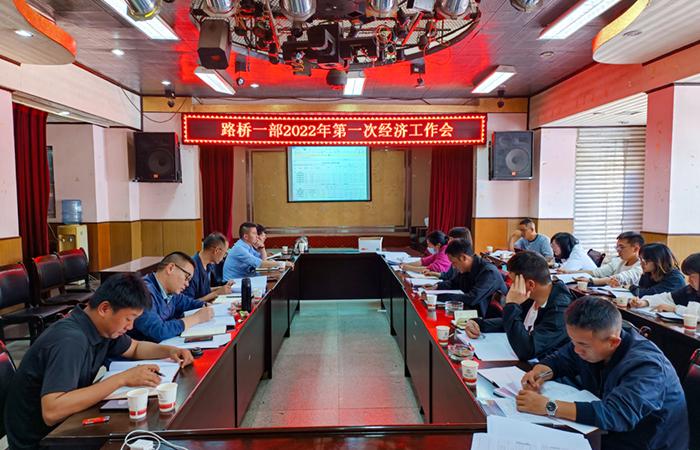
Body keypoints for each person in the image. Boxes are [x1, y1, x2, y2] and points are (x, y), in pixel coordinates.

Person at [3, 274, 194, 450]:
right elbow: (52, 411)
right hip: (40, 442)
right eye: (128, 319)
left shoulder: (101, 328)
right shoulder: (70, 340)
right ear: (104, 309)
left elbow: (135, 348)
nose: (130, 327)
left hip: (66, 427)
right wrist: (122, 379)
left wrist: (170, 350)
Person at [517, 296, 688, 450]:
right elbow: (561, 359)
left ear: (613, 342)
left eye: (582, 345)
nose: (576, 349)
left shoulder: (647, 366)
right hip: (604, 433)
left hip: (643, 441)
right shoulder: (591, 341)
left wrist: (548, 407)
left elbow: (617, 414)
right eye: (573, 341)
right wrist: (540, 373)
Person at [463, 251, 573, 361]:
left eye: (514, 282)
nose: (511, 287)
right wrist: (479, 324)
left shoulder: (561, 310)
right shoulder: (532, 295)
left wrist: (512, 304)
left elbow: (527, 351)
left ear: (531, 284)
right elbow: (515, 321)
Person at [130, 252, 215, 343]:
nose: (187, 284)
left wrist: (206, 305)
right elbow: (159, 331)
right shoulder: (143, 291)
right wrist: (196, 318)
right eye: (186, 277)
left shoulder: (171, 291)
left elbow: (188, 303)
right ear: (171, 268)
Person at [429, 238, 506, 317]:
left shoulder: (488, 272)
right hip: (471, 312)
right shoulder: (466, 268)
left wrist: (437, 297)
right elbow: (453, 283)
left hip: (488, 319)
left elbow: (472, 298)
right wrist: (437, 286)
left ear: (463, 258)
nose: (453, 267)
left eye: (454, 262)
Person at [630, 252, 700, 313]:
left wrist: (675, 309)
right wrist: (645, 302)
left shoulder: (675, 277)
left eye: (692, 276)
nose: (689, 280)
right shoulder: (689, 289)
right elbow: (667, 298)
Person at [223, 222, 292, 280]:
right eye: (254, 233)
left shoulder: (248, 246)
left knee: (278, 275)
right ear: (246, 236)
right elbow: (260, 264)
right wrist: (283, 263)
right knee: (279, 276)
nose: (257, 236)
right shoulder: (239, 249)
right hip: (232, 283)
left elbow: (263, 261)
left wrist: (262, 248)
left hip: (243, 279)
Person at [181, 232, 234, 302]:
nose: (224, 257)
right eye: (225, 253)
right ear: (217, 251)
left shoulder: (209, 265)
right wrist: (217, 293)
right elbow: (188, 303)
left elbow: (203, 291)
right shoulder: (191, 269)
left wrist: (222, 288)